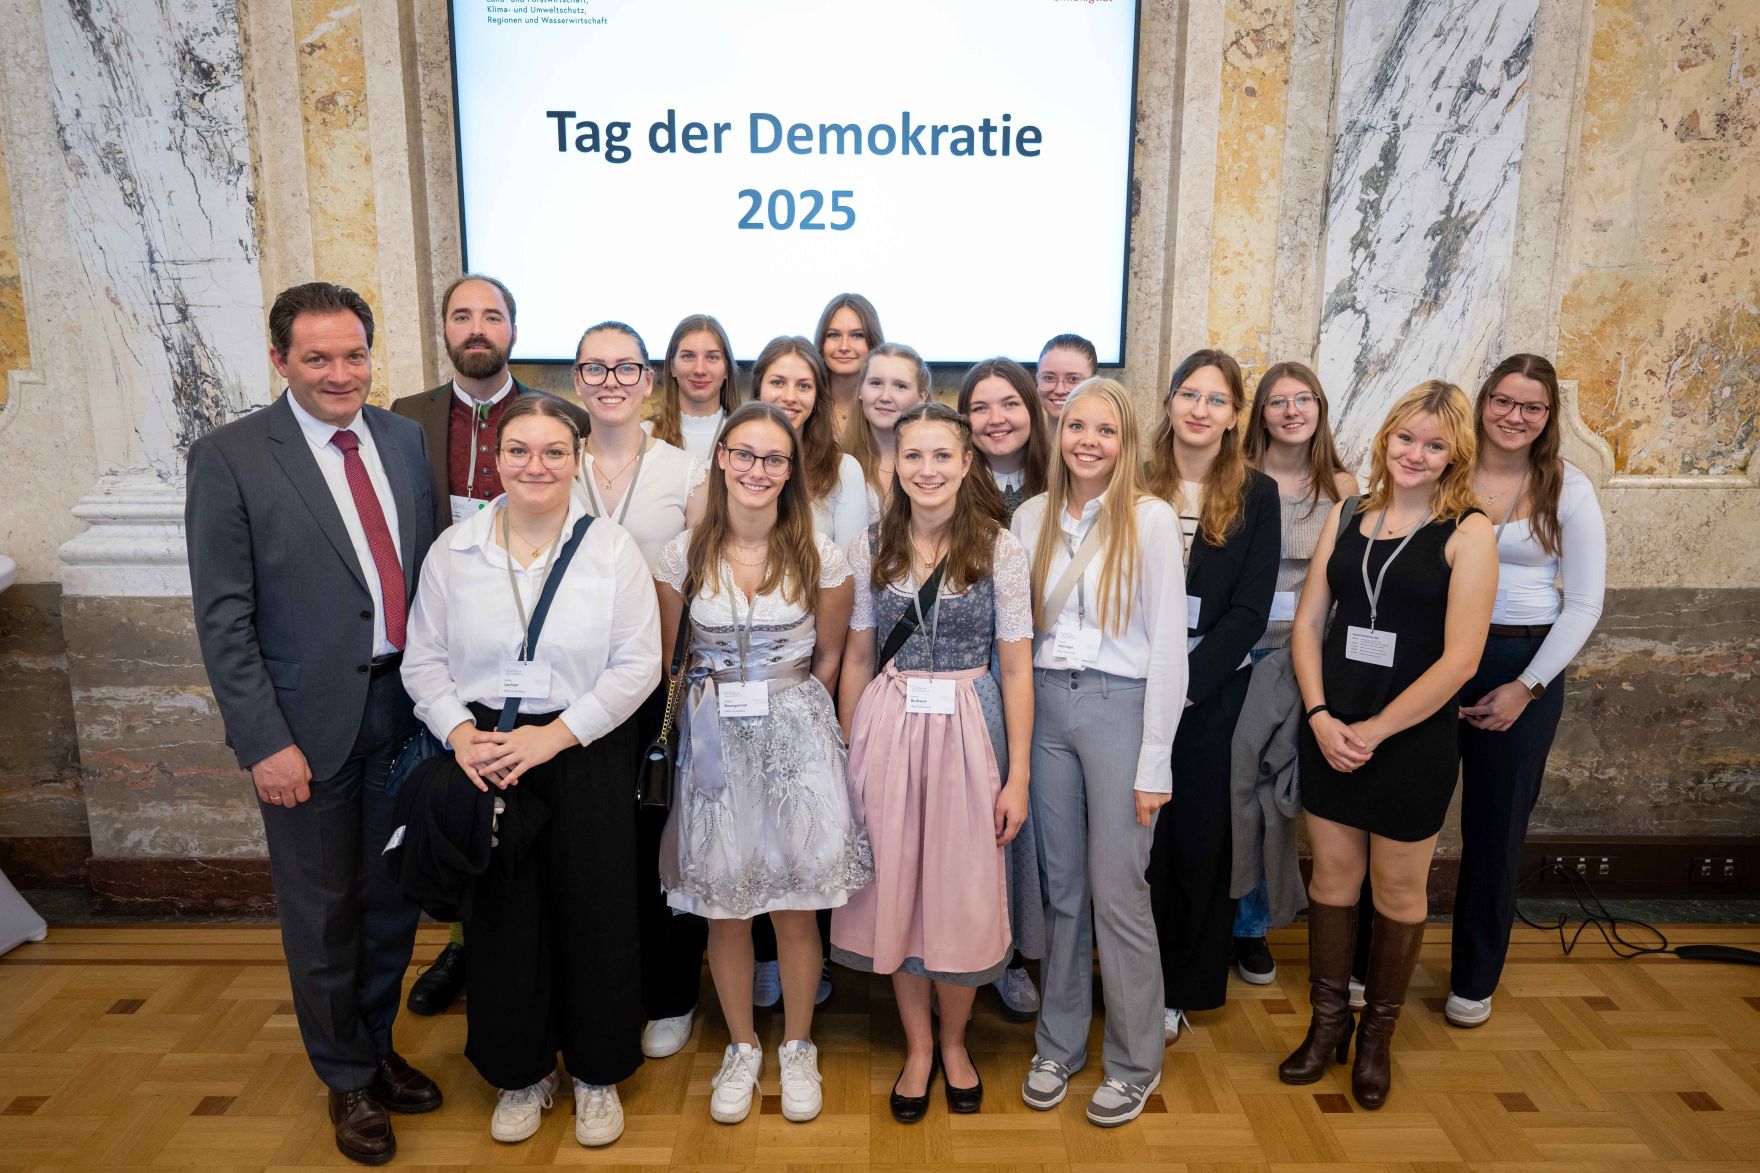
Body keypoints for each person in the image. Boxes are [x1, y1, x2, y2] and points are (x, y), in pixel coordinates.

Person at [186, 282, 442, 1165]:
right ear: (280, 360)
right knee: (322, 910)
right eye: (318, 357)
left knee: (391, 901)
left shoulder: (405, 441)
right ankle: (345, 1080)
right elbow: (223, 616)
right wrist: (264, 740)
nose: (341, 373)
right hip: (304, 727)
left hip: (403, 709)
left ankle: (375, 1048)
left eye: (354, 354)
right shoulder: (230, 458)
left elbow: (431, 576)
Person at [401, 394, 659, 1148]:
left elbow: (639, 663)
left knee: (596, 911)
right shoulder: (456, 550)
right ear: (496, 459)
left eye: (553, 450)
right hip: (484, 750)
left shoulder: (611, 548)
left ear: (576, 459)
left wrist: (557, 737)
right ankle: (521, 1072)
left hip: (583, 747)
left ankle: (595, 1071)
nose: (535, 464)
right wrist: (456, 731)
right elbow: (423, 659)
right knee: (503, 919)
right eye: (519, 449)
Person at [655, 402, 870, 1126]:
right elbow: (672, 660)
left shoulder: (821, 553)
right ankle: (743, 1044)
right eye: (743, 454)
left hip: (797, 740)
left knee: (795, 904)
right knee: (725, 907)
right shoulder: (681, 553)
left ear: (790, 470)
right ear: (721, 457)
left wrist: (821, 736)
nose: (756, 469)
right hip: (716, 744)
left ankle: (799, 1042)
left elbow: (833, 656)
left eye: (773, 458)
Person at [1283, 381, 1496, 1111]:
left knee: (1399, 891)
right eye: (1407, 438)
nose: (1416, 454)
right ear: (1386, 438)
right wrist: (1317, 714)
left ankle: (1376, 1036)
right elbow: (1309, 622)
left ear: (1455, 455)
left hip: (1408, 742)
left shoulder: (1470, 532)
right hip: (1331, 728)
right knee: (1332, 880)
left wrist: (1375, 730)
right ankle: (1327, 1025)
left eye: (1435, 445)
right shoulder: (1347, 512)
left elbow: (1461, 661)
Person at [831, 403, 1037, 1123]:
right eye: (914, 456)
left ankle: (956, 1041)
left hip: (969, 732)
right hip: (889, 728)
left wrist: (1018, 775)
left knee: (960, 891)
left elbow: (1015, 669)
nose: (927, 470)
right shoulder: (871, 547)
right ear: (895, 465)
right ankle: (917, 1046)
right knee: (901, 891)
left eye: (942, 456)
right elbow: (858, 654)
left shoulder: (999, 549)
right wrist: (850, 749)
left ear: (967, 462)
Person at [1012, 379, 1188, 1128]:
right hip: (1048, 701)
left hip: (1119, 705)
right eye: (1076, 425)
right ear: (1058, 433)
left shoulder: (1149, 519)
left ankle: (1134, 1058)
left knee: (1119, 889)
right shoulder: (1028, 516)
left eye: (1105, 429)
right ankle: (1058, 1041)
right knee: (1061, 888)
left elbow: (1172, 647)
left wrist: (1155, 760)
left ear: (1127, 441)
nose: (1088, 440)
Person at [391, 273, 552, 1018]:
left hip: (533, 634)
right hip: (448, 627)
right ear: (445, 330)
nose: (477, 328)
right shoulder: (404, 419)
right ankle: (463, 942)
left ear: (515, 330)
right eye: (462, 316)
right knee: (457, 802)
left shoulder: (555, 416)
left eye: (492, 315)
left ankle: (523, 943)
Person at [1447, 354, 1606, 1025]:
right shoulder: (1445, 468)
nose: (1515, 417)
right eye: (1504, 401)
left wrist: (1526, 687)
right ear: (1483, 402)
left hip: (1522, 659)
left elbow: (1585, 604)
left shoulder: (1569, 487)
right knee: (1400, 816)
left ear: (1548, 418)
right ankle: (1374, 962)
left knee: (1496, 826)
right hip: (1439, 659)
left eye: (1531, 407)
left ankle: (1473, 980)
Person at [567, 320, 709, 1061]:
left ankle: (673, 993)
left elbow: (703, 579)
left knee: (663, 846)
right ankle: (603, 993)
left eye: (627, 369)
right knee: (594, 854)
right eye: (596, 368)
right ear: (577, 380)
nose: (612, 381)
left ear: (650, 381)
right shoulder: (557, 460)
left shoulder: (687, 473)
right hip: (571, 695)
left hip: (659, 690)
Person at [1142, 349, 1280, 1042]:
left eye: (1216, 399)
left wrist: (1187, 687)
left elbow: (1252, 611)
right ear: (1168, 403)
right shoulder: (1131, 482)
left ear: (1234, 416)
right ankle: (1135, 982)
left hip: (1210, 695)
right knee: (1141, 845)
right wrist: (1150, 680)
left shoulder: (1258, 493)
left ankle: (1183, 985)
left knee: (1197, 841)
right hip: (1130, 687)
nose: (1199, 409)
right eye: (1188, 394)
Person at [1231, 361, 1359, 985]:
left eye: (1301, 399)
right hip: (1238, 653)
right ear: (1260, 414)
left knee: (1278, 799)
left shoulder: (1343, 487)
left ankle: (1255, 926)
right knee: (1233, 794)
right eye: (1276, 401)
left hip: (1304, 658)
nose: (1290, 411)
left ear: (1319, 407)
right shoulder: (1237, 481)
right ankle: (1228, 919)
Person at [753, 335, 872, 546]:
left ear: (817, 397)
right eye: (777, 382)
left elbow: (851, 571)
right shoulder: (733, 463)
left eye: (804, 386)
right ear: (758, 388)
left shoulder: (844, 470)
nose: (790, 396)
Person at [959, 357, 1051, 524]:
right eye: (980, 408)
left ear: (1032, 410)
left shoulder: (1064, 479)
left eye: (1010, 404)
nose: (996, 419)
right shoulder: (951, 487)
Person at [842, 342, 931, 510]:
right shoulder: (836, 463)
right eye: (876, 383)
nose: (885, 396)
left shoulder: (941, 467)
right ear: (861, 390)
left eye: (900, 386)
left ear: (921, 396)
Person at [648, 314, 739, 464]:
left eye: (712, 357)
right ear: (672, 367)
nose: (700, 370)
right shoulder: (644, 435)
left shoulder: (748, 435)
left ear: (727, 369)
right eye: (688, 356)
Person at [813, 291, 884, 435]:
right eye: (834, 335)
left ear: (873, 342)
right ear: (821, 342)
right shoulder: (806, 402)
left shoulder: (888, 404)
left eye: (857, 335)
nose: (844, 347)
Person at [1034, 333, 1097, 421]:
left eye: (1073, 379)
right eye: (1049, 378)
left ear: (1094, 383)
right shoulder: (1022, 432)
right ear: (1037, 380)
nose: (1059, 390)